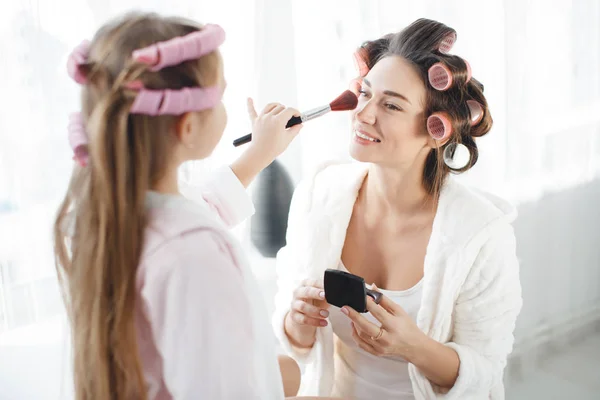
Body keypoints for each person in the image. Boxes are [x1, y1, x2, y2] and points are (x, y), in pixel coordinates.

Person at [53, 11, 313, 400]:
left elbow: (196, 206)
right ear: (187, 127)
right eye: (221, 95)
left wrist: (259, 155)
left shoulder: (109, 218)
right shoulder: (192, 256)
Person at [272, 18, 522, 399]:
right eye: (367, 94)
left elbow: (485, 372)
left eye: (391, 105)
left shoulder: (481, 235)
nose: (364, 114)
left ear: (437, 130)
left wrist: (412, 347)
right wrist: (297, 321)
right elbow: (296, 343)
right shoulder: (319, 194)